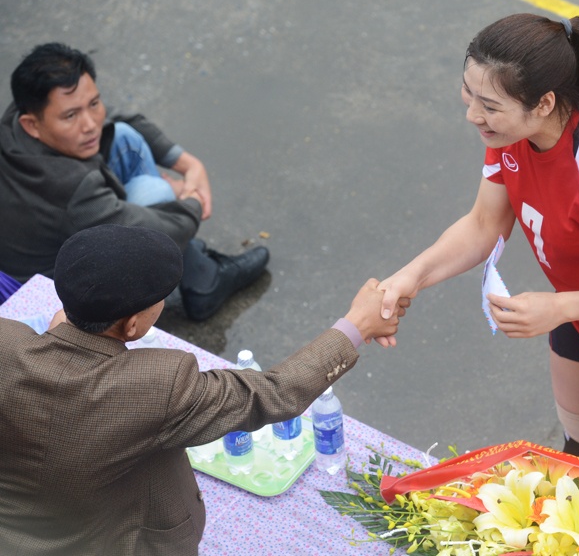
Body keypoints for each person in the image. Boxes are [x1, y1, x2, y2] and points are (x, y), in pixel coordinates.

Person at [378, 14, 579, 512]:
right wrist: (413, 276)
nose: (473, 115)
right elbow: (484, 224)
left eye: (489, 105)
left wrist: (560, 308)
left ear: (545, 103)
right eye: (468, 94)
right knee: (578, 461)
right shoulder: (514, 135)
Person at [0, 223, 409, 556]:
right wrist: (357, 324)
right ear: (131, 327)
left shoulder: (6, 340)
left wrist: (67, 332)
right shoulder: (154, 386)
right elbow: (272, 392)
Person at [0, 42, 269, 321]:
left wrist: (188, 163)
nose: (90, 124)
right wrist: (191, 198)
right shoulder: (67, 186)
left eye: (93, 103)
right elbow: (160, 233)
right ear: (32, 124)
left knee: (123, 136)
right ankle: (205, 283)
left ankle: (196, 271)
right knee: (156, 194)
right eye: (71, 115)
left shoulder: (17, 117)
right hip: (58, 295)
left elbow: (116, 116)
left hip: (51, 236)